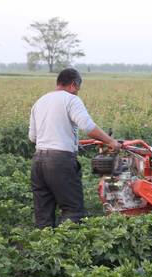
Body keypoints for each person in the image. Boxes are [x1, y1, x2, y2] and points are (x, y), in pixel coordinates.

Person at [29, 68, 121, 229]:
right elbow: (88, 126)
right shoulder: (71, 100)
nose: (77, 93)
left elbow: (33, 137)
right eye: (78, 89)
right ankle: (66, 248)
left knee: (43, 216)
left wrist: (68, 139)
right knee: (73, 210)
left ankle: (42, 250)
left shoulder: (40, 101)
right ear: (73, 85)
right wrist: (111, 141)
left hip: (38, 163)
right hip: (60, 163)